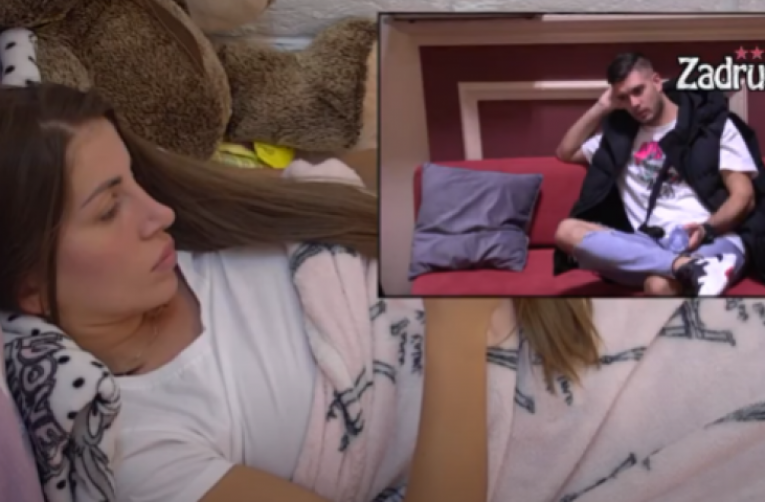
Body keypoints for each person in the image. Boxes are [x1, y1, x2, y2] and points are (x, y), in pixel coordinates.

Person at [3, 84, 765, 502]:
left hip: (577, 318)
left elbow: (388, 200)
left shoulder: (209, 231)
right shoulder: (145, 451)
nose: (158, 213)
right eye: (109, 209)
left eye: (136, 181)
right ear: (29, 285)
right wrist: (457, 326)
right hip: (550, 412)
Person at [554, 52, 762, 296]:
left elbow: (744, 197)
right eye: (623, 97)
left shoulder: (713, 127)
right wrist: (601, 106)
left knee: (658, 286)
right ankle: (684, 267)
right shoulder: (620, 138)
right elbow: (566, 151)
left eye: (638, 91)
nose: (634, 103)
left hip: (710, 239)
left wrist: (707, 229)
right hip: (649, 243)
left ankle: (694, 266)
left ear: (656, 81)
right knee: (566, 231)